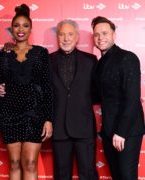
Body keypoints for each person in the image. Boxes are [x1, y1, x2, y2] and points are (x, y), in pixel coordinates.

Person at [0, 4, 53, 180]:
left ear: (31, 29)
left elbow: (47, 87)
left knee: (30, 163)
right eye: (17, 25)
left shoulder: (41, 53)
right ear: (11, 29)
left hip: (35, 114)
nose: (21, 29)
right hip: (9, 114)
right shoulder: (3, 55)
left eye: (25, 25)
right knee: (15, 163)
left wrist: (48, 118)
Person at [91, 16, 145, 180]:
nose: (100, 37)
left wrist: (121, 132)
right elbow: (96, 96)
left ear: (114, 35)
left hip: (127, 131)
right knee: (117, 176)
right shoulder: (99, 64)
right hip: (108, 131)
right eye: (96, 34)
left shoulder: (127, 58)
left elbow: (132, 98)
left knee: (127, 177)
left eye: (105, 33)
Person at [49, 20, 98, 180]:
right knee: (61, 175)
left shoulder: (91, 60)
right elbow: (40, 92)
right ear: (57, 37)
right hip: (59, 128)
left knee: (88, 174)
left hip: (84, 128)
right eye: (62, 34)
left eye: (70, 34)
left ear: (77, 37)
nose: (66, 38)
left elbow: (99, 91)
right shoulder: (47, 61)